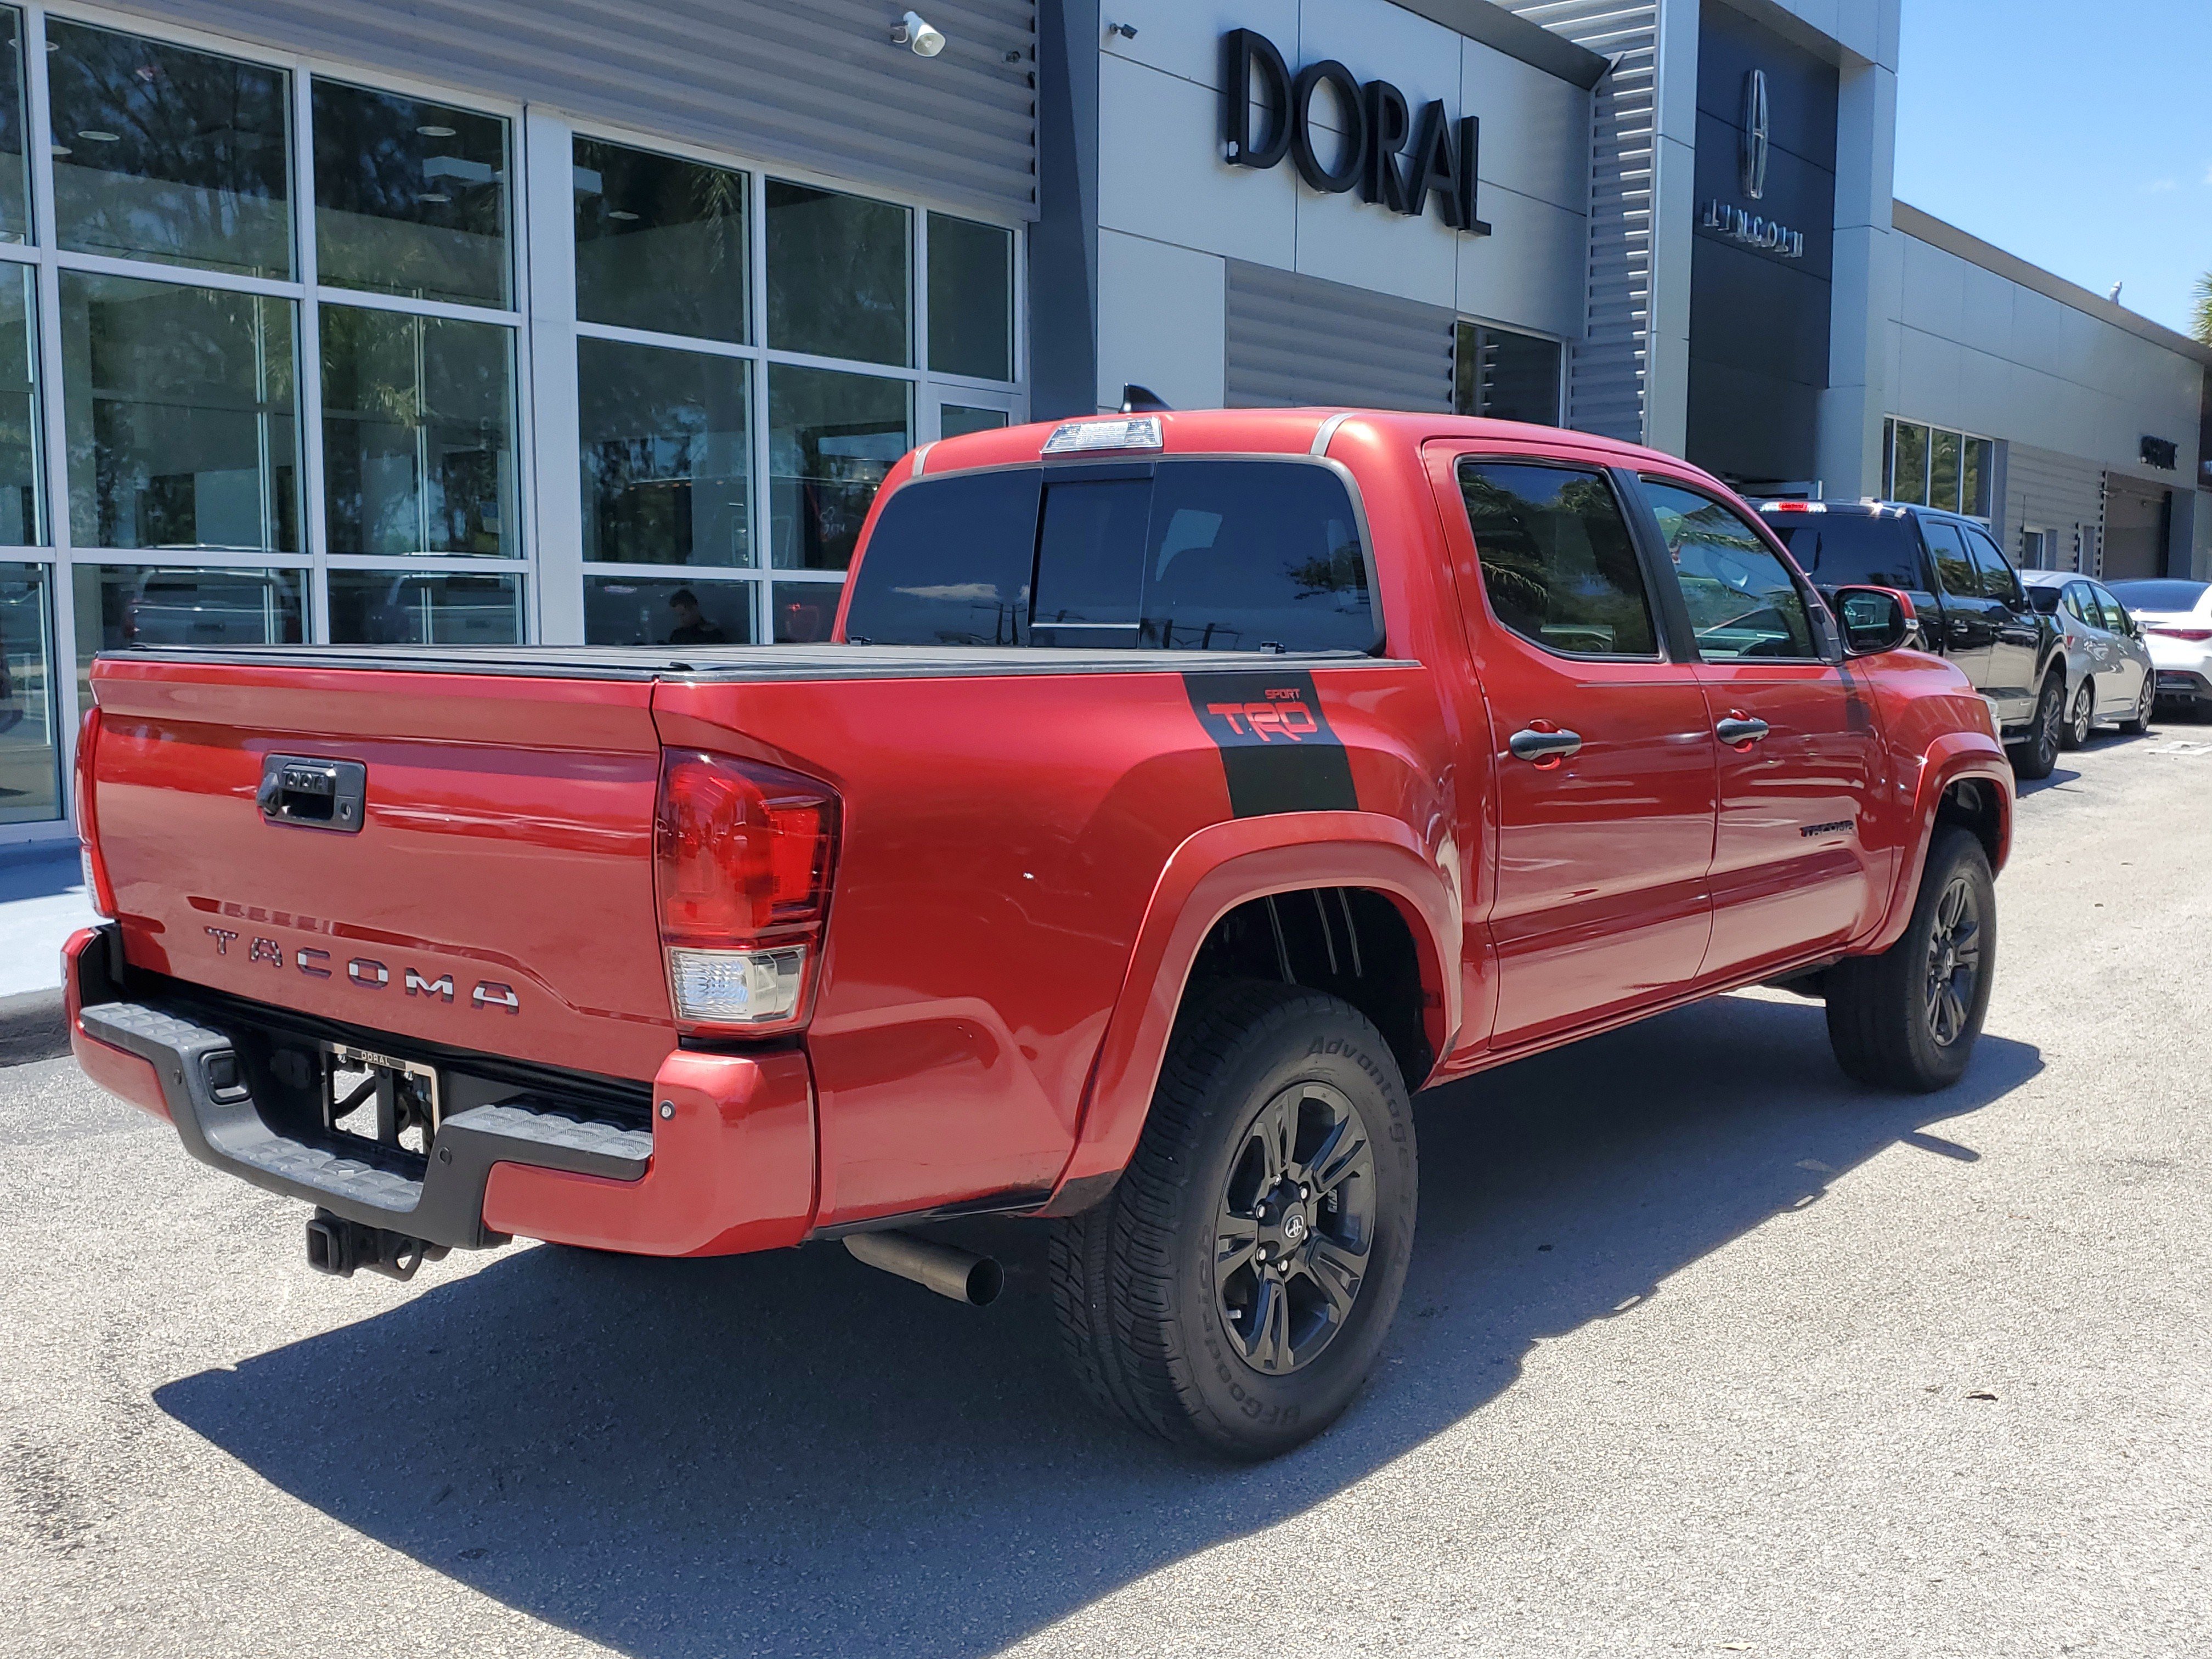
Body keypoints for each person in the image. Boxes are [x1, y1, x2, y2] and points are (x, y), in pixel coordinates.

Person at [664, 588, 729, 647]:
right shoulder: (677, 636)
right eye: (677, 616)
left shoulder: (713, 635)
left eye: (683, 614)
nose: (680, 619)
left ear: (694, 609)